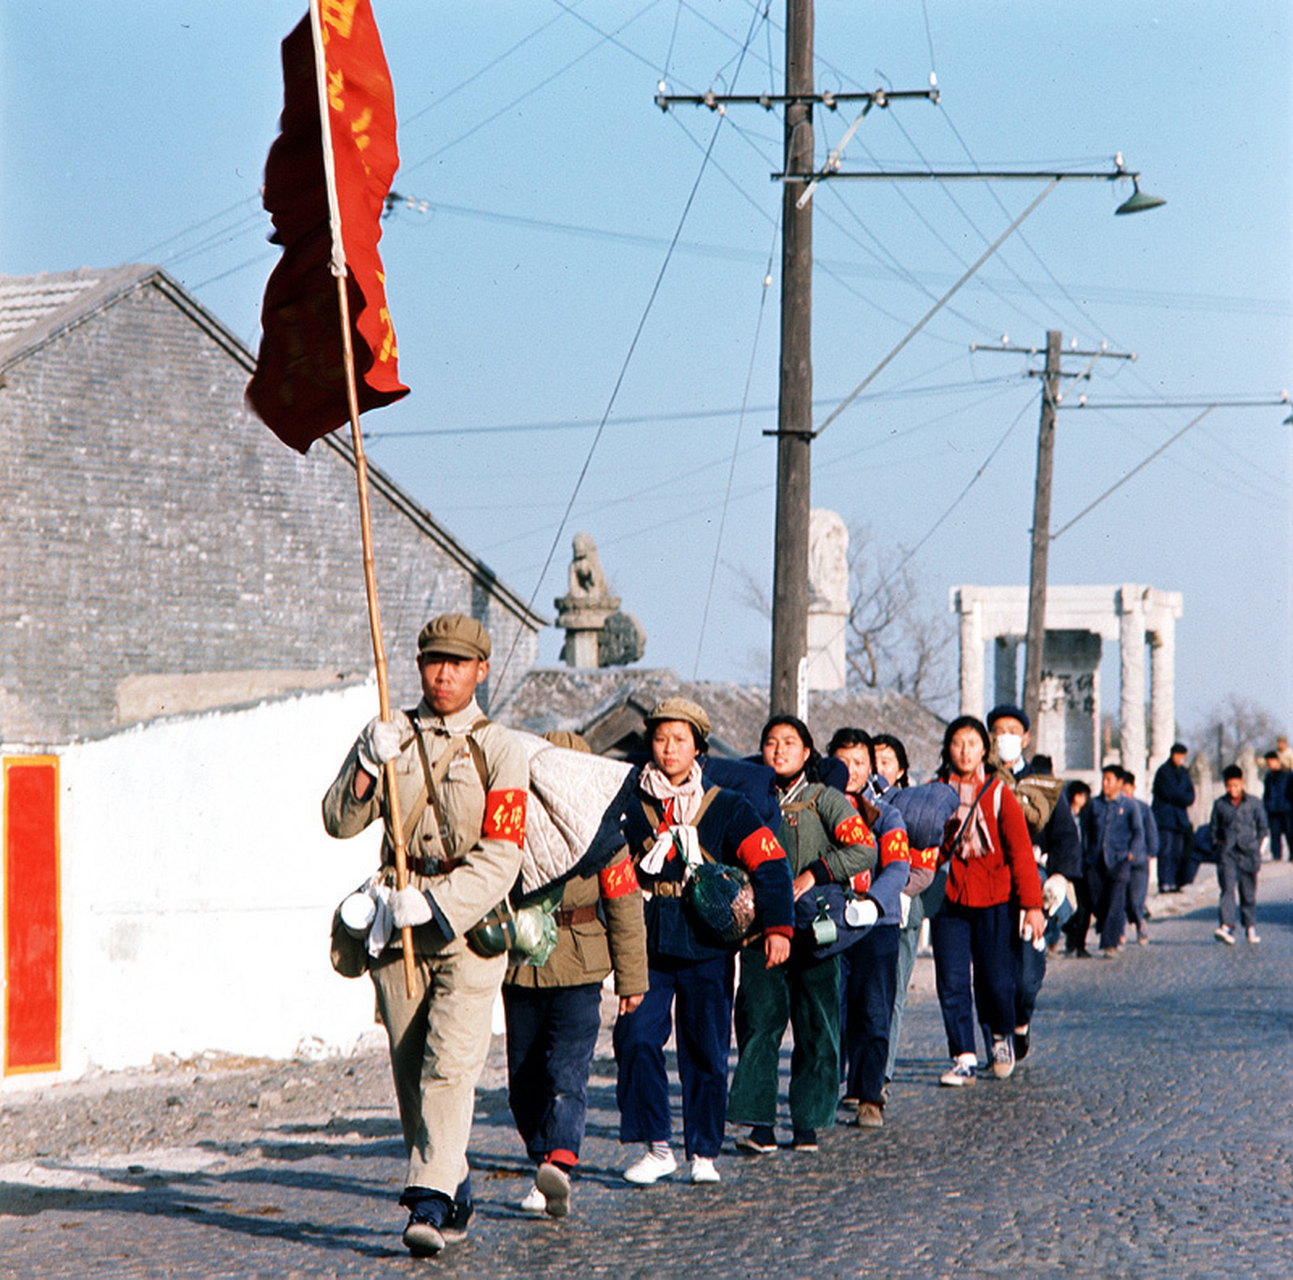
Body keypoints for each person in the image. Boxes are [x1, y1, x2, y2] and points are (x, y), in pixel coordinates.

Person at [321, 613, 529, 1257]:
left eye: (458, 664)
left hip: (464, 930)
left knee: (450, 1066)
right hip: (394, 930)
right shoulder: (390, 734)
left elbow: (503, 856)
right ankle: (455, 1180)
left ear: (481, 671)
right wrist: (364, 763)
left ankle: (428, 1203)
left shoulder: (500, 748)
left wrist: (434, 906)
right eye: (434, 662)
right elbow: (337, 821)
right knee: (410, 1070)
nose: (444, 674)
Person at [613, 698, 794, 1186]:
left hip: (708, 944)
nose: (669, 748)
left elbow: (772, 865)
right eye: (660, 738)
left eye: (680, 739)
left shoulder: (728, 806)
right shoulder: (628, 801)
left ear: (698, 747)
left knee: (706, 1048)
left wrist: (778, 928)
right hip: (645, 942)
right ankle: (656, 1146)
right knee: (635, 1039)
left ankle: (704, 1150)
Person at [504, 737, 648, 1220]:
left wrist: (633, 982)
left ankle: (558, 1164)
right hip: (521, 968)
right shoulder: (508, 827)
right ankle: (541, 1156)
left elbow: (626, 909)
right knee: (523, 1080)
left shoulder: (606, 839)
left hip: (583, 965)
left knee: (567, 1071)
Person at [728, 718, 878, 1152]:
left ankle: (809, 1121)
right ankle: (759, 1124)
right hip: (759, 930)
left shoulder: (824, 799)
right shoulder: (748, 800)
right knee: (759, 1022)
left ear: (808, 752)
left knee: (817, 1025)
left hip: (815, 930)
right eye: (770, 742)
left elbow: (863, 847)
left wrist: (815, 873)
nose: (779, 750)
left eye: (789, 742)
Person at [930, 716, 1044, 1086]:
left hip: (995, 897)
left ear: (985, 749)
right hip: (949, 898)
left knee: (996, 980)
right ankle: (962, 1054)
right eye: (958, 743)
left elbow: (1021, 853)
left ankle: (999, 1036)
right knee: (951, 980)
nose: (965, 751)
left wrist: (1032, 906)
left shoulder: (998, 793)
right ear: (948, 748)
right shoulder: (933, 791)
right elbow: (920, 844)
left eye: (973, 743)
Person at [825, 728, 923, 1129]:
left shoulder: (886, 813)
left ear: (871, 767)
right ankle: (825, 1090)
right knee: (830, 1008)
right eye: (842, 762)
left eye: (859, 763)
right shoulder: (816, 807)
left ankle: (869, 1094)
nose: (850, 771)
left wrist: (872, 904)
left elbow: (898, 865)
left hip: (875, 922)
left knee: (873, 1008)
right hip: (827, 921)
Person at [1082, 764, 1146, 960]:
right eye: (1103, 779)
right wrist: (1085, 853)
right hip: (1095, 860)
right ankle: (1106, 926)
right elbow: (1086, 830)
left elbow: (1138, 832)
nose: (1105, 783)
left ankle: (1110, 943)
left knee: (1116, 901)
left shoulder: (1129, 806)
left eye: (1109, 780)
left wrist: (1131, 853)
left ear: (1119, 783)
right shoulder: (1094, 805)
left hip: (1119, 861)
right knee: (1096, 899)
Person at [1209, 764, 1269, 945]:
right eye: (1229, 786)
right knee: (1227, 889)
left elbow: (1263, 828)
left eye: (1236, 785)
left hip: (1249, 853)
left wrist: (1258, 847)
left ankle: (1250, 927)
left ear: (1242, 783)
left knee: (1248, 892)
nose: (1233, 790)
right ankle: (1226, 926)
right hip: (1228, 854)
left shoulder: (1254, 803)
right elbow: (1213, 829)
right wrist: (1217, 846)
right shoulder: (1220, 804)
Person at [1119, 769, 1158, 947]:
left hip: (1140, 861)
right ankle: (1119, 931)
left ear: (1133, 788)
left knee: (1136, 899)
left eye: (1128, 790)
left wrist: (1152, 851)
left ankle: (1140, 924)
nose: (1125, 794)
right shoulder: (1115, 808)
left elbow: (1151, 831)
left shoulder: (1142, 808)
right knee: (1120, 899)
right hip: (1119, 861)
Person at [1151, 742, 1195, 892]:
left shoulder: (1184, 773)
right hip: (1165, 818)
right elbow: (1170, 793)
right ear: (1172, 755)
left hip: (1180, 819)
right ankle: (1164, 882)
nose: (1180, 759)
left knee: (1178, 851)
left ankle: (1175, 882)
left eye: (1182, 757)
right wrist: (1180, 795)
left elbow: (1190, 796)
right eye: (1178, 756)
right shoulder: (1163, 772)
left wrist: (1180, 795)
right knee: (1165, 851)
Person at [1261, 750, 1291, 862]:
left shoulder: (1287, 774)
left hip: (1287, 809)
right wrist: (1267, 805)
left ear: (1277, 760)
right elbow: (1266, 793)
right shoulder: (1268, 777)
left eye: (1271, 761)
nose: (1269, 764)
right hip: (1273, 810)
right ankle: (1277, 857)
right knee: (1275, 834)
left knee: (1290, 833)